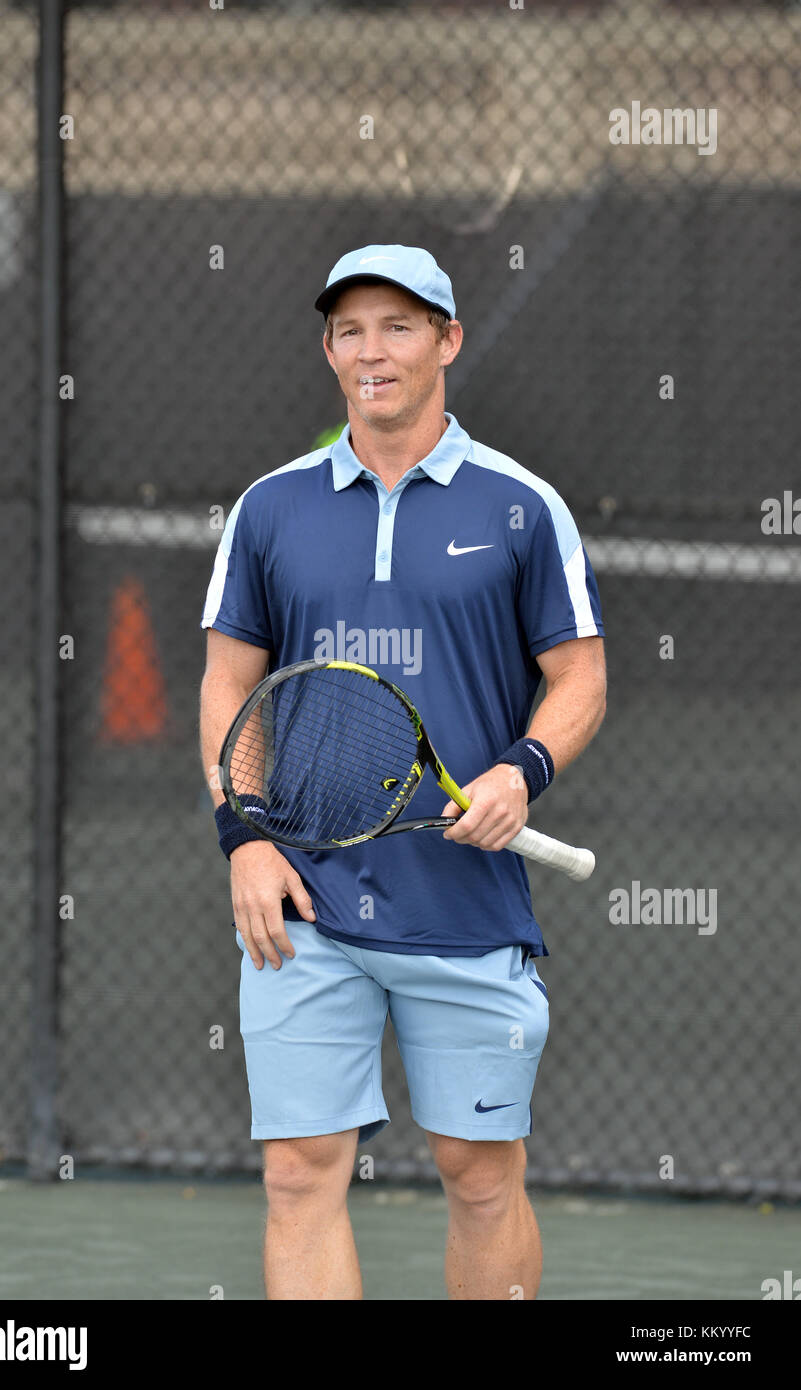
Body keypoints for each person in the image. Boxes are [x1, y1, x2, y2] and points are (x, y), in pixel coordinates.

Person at [199, 244, 606, 1300]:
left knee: (478, 1178)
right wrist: (243, 836)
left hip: (464, 903)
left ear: (446, 341)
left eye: (397, 327)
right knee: (297, 1174)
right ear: (328, 350)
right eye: (348, 330)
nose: (369, 352)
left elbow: (581, 679)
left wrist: (523, 767)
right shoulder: (269, 510)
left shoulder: (523, 507)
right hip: (304, 902)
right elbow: (229, 689)